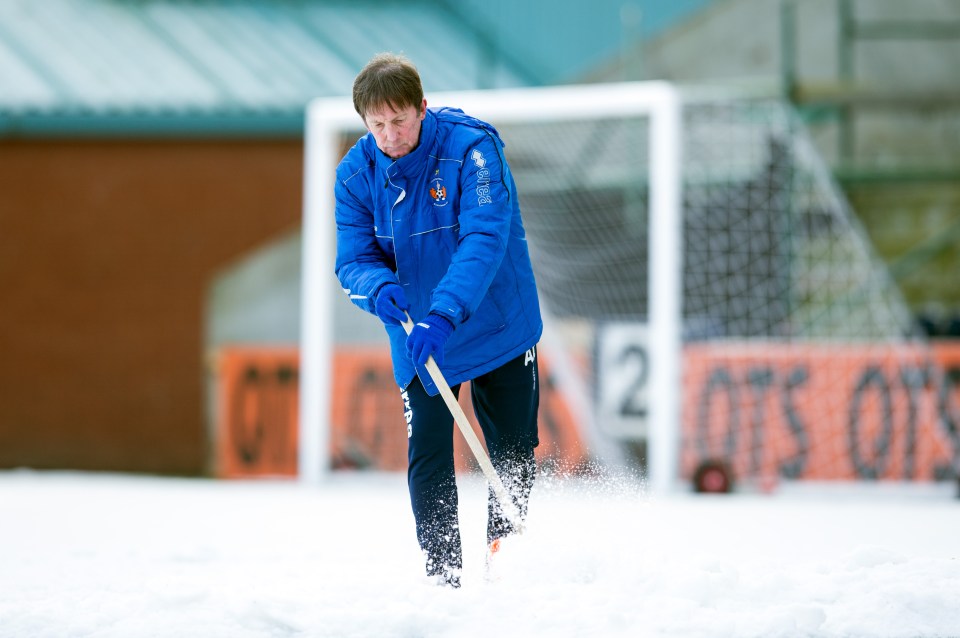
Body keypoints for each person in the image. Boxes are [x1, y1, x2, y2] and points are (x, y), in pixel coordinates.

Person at [334, 52, 542, 588]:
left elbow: (483, 239)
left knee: (513, 447)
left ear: (422, 108)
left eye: (399, 120)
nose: (390, 135)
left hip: (495, 320)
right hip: (416, 333)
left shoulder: (473, 149)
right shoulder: (355, 174)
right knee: (427, 448)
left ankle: (506, 559)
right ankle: (443, 573)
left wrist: (445, 313)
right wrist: (375, 287)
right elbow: (353, 260)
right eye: (376, 124)